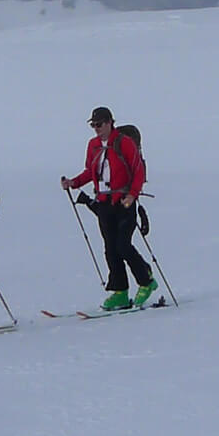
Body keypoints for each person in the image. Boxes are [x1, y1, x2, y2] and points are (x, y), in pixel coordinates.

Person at [61, 105, 155, 312]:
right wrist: (73, 183)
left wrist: (132, 195)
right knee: (110, 249)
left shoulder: (124, 143)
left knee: (123, 245)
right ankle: (120, 291)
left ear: (110, 122)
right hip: (104, 202)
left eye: (100, 124)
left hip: (123, 201)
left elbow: (137, 170)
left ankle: (146, 280)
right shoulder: (93, 145)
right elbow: (90, 171)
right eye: (93, 125)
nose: (96, 128)